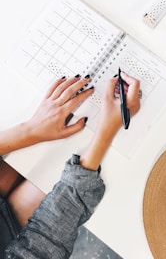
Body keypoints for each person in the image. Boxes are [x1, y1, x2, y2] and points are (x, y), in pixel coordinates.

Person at [0, 72, 140, 258]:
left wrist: (30, 130)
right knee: (77, 168)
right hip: (11, 236)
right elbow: (44, 243)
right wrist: (106, 130)